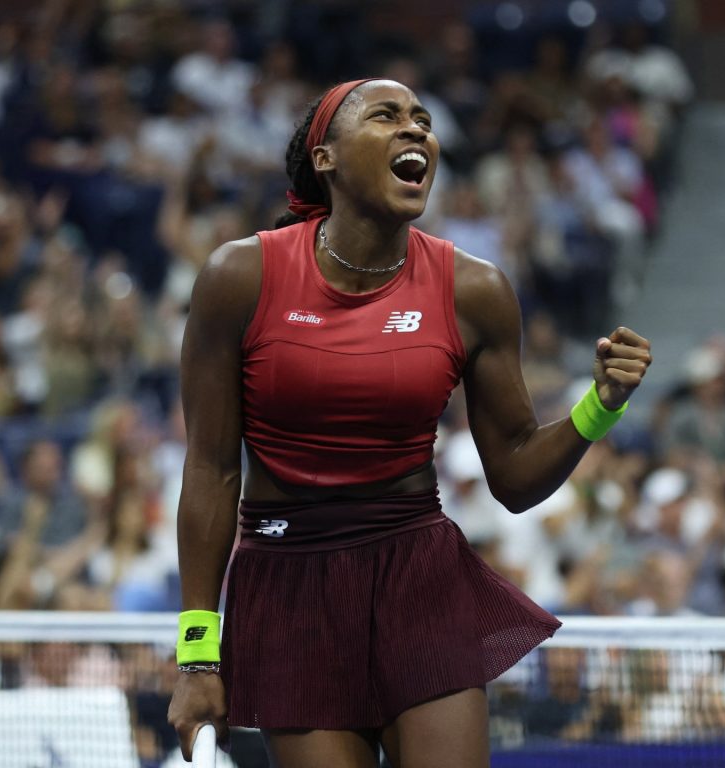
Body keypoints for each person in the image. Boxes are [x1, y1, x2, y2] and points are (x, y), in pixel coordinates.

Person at [167, 78, 652, 767]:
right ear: (326, 158)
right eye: (386, 116)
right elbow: (211, 469)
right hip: (289, 586)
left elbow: (515, 476)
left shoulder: (475, 289)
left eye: (422, 118)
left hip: (418, 578)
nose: (415, 129)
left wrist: (599, 404)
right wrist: (197, 654)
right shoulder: (238, 277)